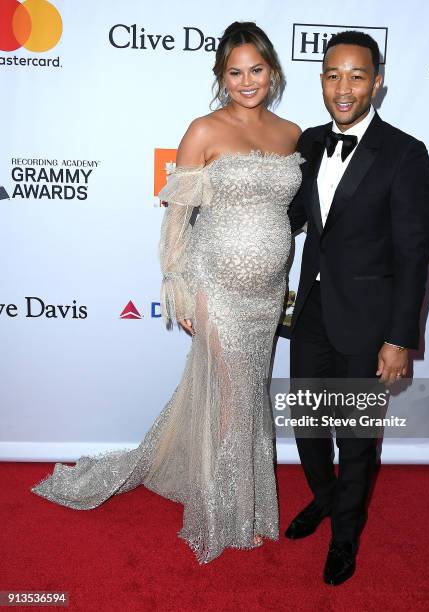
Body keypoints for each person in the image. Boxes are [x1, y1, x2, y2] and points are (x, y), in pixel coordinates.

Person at [31, 21, 302, 565]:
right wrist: (178, 287)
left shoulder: (292, 132)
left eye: (256, 70)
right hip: (216, 284)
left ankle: (240, 501)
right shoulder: (203, 130)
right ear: (221, 77)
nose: (247, 81)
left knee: (248, 393)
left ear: (272, 71)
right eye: (235, 72)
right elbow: (177, 221)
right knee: (233, 395)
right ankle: (226, 512)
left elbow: (289, 214)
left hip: (267, 290)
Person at [286, 31, 429, 585]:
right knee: (306, 423)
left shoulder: (404, 153)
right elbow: (292, 219)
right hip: (313, 313)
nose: (343, 87)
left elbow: (414, 254)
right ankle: (324, 499)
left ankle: (345, 536)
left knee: (353, 435)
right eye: (332, 75)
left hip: (370, 323)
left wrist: (399, 339)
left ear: (376, 82)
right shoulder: (306, 144)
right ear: (321, 80)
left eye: (355, 75)